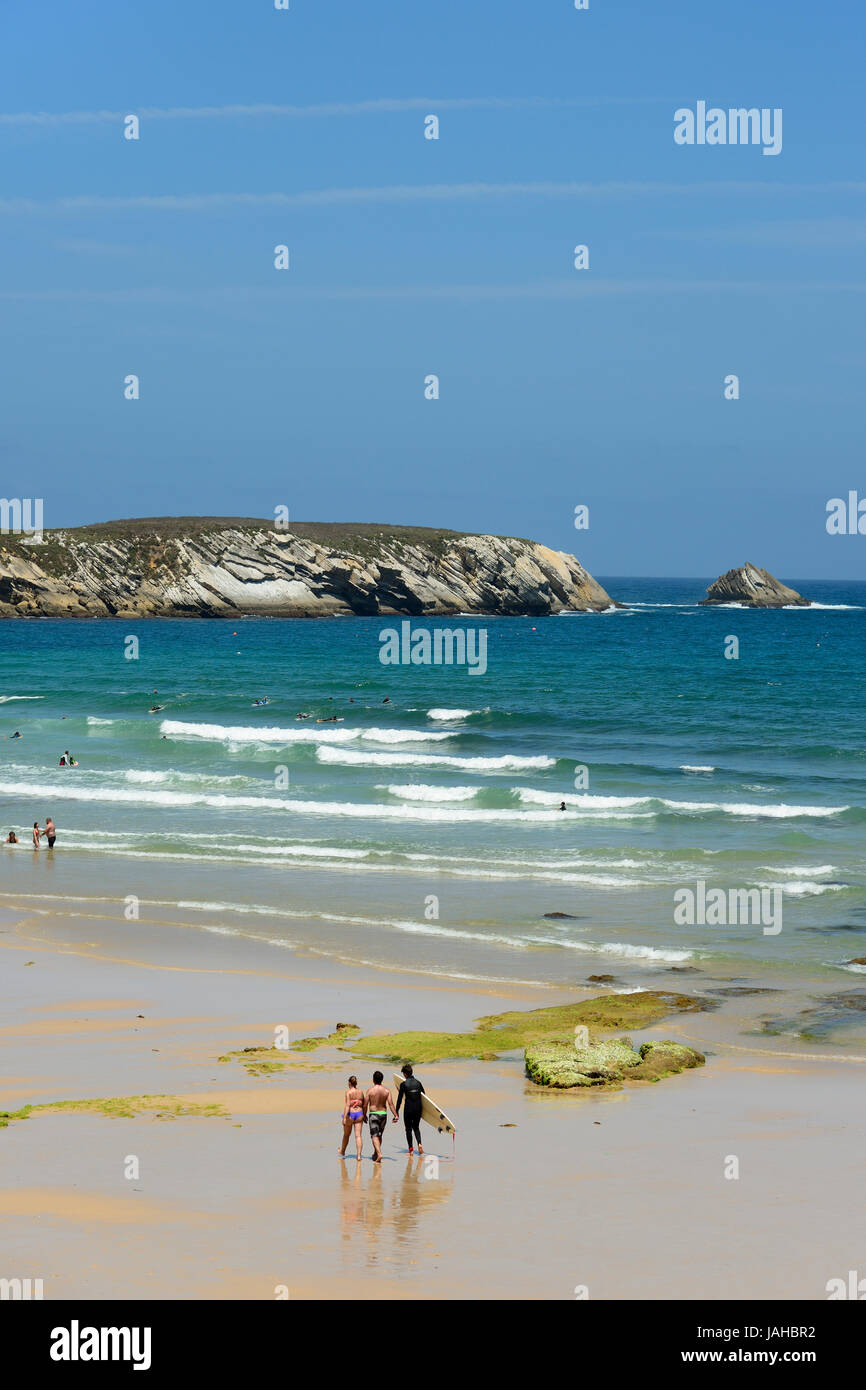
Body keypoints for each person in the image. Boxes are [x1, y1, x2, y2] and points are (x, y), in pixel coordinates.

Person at [365, 1071, 397, 1164]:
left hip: (374, 1114)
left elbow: (365, 1104)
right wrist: (396, 1115)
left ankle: (379, 1154)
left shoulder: (370, 1090)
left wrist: (363, 1115)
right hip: (383, 1114)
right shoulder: (387, 1091)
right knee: (379, 1135)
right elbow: (391, 1104)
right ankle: (375, 1154)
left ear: (373, 1079)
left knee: (374, 1136)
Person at [395, 1063, 425, 1156]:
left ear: (405, 1074)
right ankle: (419, 1143)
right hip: (418, 1108)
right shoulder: (418, 1083)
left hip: (408, 1109)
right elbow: (424, 1096)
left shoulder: (403, 1084)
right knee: (416, 1127)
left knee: (408, 1129)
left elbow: (399, 1099)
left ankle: (411, 1150)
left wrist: (396, 1112)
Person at [340, 1076, 366, 1160]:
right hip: (359, 1114)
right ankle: (358, 1155)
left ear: (349, 1083)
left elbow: (347, 1105)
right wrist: (365, 1115)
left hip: (350, 1114)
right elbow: (364, 1105)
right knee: (358, 1136)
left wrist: (344, 1118)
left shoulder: (348, 1092)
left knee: (346, 1135)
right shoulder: (361, 1092)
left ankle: (342, 1151)